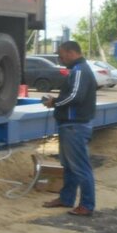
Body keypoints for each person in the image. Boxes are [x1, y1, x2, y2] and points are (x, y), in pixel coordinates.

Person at [41, 40, 97, 216]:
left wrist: (54, 102)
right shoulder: (78, 70)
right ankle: (66, 198)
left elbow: (75, 97)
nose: (60, 58)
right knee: (70, 166)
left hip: (75, 126)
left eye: (62, 55)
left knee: (80, 167)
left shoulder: (80, 71)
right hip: (70, 125)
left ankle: (87, 205)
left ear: (71, 52)